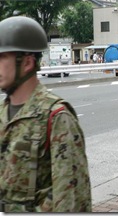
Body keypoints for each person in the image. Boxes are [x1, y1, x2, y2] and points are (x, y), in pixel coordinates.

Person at [0, 16, 91, 212]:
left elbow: (72, 200)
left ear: (26, 63)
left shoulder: (57, 116)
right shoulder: (2, 114)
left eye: (2, 57)